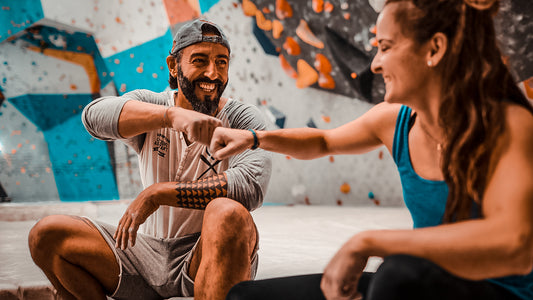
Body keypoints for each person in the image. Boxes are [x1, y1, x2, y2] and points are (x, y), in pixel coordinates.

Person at [211, 0, 533, 299]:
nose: (375, 64)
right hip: (422, 284)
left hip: (496, 292)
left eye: (385, 47)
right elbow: (324, 141)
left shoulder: (509, 123)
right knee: (244, 296)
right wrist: (255, 139)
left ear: (434, 48)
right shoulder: (395, 122)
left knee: (396, 276)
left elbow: (516, 244)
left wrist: (370, 241)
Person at [27, 18, 272, 300]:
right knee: (46, 235)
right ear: (173, 65)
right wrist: (172, 116)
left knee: (229, 214)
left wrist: (157, 194)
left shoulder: (241, 118)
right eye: (200, 60)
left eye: (222, 62)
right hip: (146, 254)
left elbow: (250, 187)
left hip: (205, 254)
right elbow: (93, 117)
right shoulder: (153, 105)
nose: (213, 73)